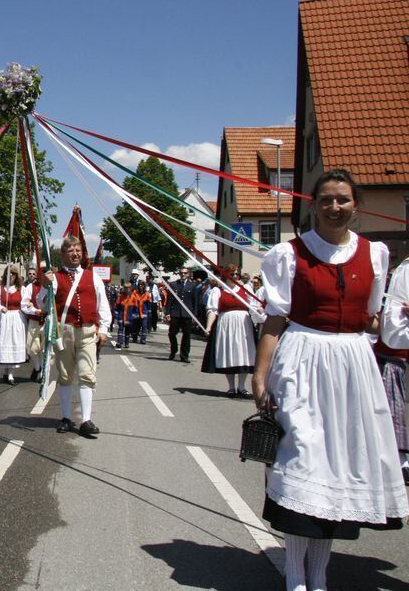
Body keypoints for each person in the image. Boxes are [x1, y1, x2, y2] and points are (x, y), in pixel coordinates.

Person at [253, 170, 408, 591]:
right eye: (326, 200)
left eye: (342, 199)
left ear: (355, 204)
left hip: (353, 365)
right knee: (303, 458)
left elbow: (375, 318)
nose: (334, 207)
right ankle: (296, 571)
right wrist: (260, 375)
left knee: (338, 467)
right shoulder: (290, 254)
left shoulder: (375, 254)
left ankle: (318, 572)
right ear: (313, 205)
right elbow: (274, 320)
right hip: (302, 359)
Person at [38, 235, 112, 436]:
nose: (75, 253)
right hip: (64, 332)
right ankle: (66, 417)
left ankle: (86, 419)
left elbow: (102, 304)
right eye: (71, 250)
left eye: (78, 250)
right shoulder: (55, 278)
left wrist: (104, 329)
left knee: (87, 374)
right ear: (63, 254)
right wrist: (45, 285)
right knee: (65, 375)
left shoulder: (92, 277)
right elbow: (40, 304)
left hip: (88, 331)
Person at [201, 265, 256, 396]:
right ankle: (231, 387)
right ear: (226, 275)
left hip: (244, 324)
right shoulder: (218, 290)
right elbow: (213, 310)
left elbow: (254, 305)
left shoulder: (246, 288)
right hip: (226, 325)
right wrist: (208, 327)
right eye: (233, 274)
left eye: (237, 274)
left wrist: (259, 311)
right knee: (229, 353)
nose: (236, 276)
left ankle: (242, 387)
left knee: (244, 354)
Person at [379, 257, 409, 484]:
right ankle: (399, 461)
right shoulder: (405, 270)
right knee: (393, 412)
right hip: (392, 357)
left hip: (394, 356)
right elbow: (392, 327)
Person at [0, 265, 27, 385]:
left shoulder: (22, 288)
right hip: (4, 319)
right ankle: (6, 372)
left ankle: (10, 373)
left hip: (17, 319)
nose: (11, 276)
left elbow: (25, 305)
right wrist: (1, 308)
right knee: (5, 344)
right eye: (9, 274)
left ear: (16, 276)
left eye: (13, 274)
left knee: (13, 343)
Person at [165, 267, 196, 363]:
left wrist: (194, 315)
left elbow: (195, 301)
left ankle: (184, 355)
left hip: (187, 313)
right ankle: (173, 350)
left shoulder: (192, 286)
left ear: (188, 274)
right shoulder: (173, 284)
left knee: (186, 335)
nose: (183, 274)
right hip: (175, 313)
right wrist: (168, 312)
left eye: (185, 273)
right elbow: (169, 300)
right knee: (172, 333)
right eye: (181, 273)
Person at [22, 268, 46, 381]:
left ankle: (43, 373)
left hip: (47, 322)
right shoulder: (30, 287)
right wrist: (34, 310)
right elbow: (24, 304)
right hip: (34, 321)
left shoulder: (52, 287)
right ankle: (37, 368)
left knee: (44, 349)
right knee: (32, 348)